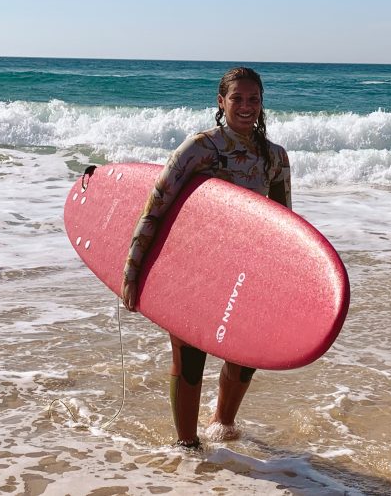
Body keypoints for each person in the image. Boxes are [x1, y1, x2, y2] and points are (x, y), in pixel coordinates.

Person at [120, 66, 292, 449]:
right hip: (197, 267)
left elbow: (286, 228)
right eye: (237, 99)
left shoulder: (275, 157)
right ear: (221, 102)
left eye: (254, 99)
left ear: (262, 103)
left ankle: (223, 427)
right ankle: (186, 446)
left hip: (247, 271)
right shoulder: (199, 148)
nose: (246, 107)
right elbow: (156, 205)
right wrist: (133, 269)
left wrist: (283, 284)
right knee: (191, 354)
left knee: (247, 354)